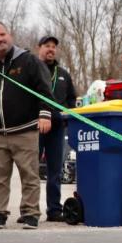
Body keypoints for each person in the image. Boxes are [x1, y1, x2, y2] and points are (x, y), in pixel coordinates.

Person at [0, 22, 54, 230]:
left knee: (29, 175)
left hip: (25, 130)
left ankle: (30, 214)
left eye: (3, 34)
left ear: (10, 34)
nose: (0, 39)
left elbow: (44, 89)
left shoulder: (29, 61)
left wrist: (45, 115)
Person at [36, 35, 77, 223]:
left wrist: (67, 117)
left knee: (55, 171)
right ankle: (29, 210)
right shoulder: (33, 70)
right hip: (35, 126)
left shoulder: (63, 74)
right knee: (30, 170)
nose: (51, 49)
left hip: (58, 129)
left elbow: (71, 99)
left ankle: (54, 210)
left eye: (53, 46)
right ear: (39, 48)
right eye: (47, 46)